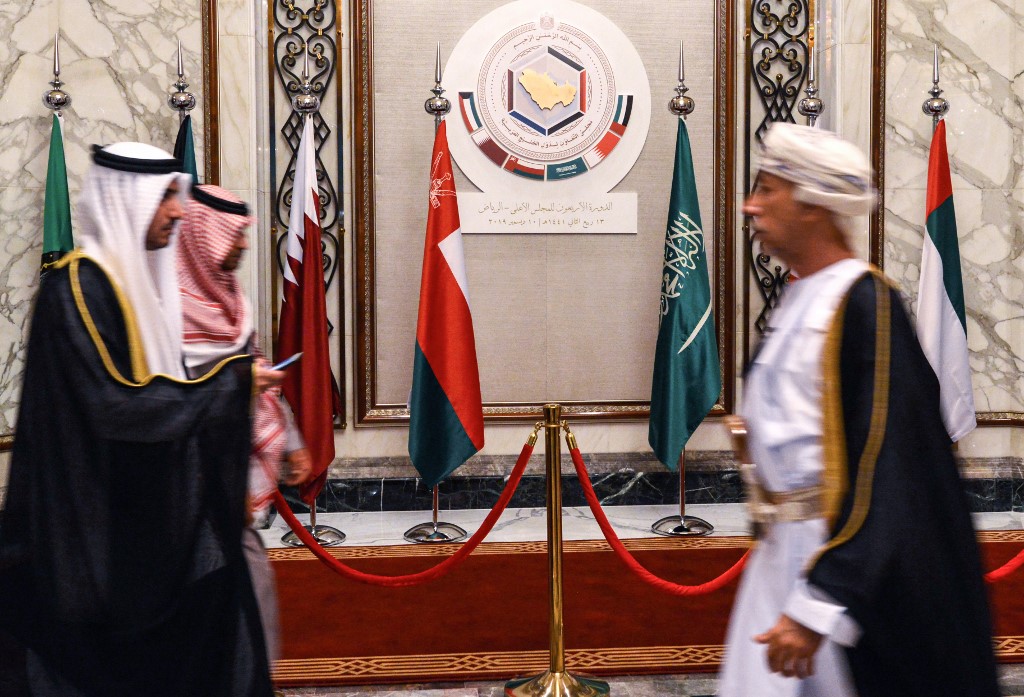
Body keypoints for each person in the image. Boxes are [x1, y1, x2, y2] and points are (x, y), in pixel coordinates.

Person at [719, 124, 999, 697]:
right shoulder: (800, 296)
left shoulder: (866, 302)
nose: (750, 205)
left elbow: (890, 468)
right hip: (782, 561)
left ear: (812, 205)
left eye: (767, 189)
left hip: (841, 577)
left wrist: (819, 603)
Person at [0, 143, 279, 697]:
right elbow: (117, 406)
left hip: (138, 524)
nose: (178, 211)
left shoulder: (137, 286)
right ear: (127, 201)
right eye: (167, 197)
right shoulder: (77, 288)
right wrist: (231, 384)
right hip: (90, 531)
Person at [176, 183, 312, 666]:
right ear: (205, 236)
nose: (244, 243)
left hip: (233, 471)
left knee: (248, 588)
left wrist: (291, 440)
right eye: (235, 234)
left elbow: (254, 369)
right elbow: (174, 400)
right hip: (191, 482)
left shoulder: (229, 296)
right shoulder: (168, 308)